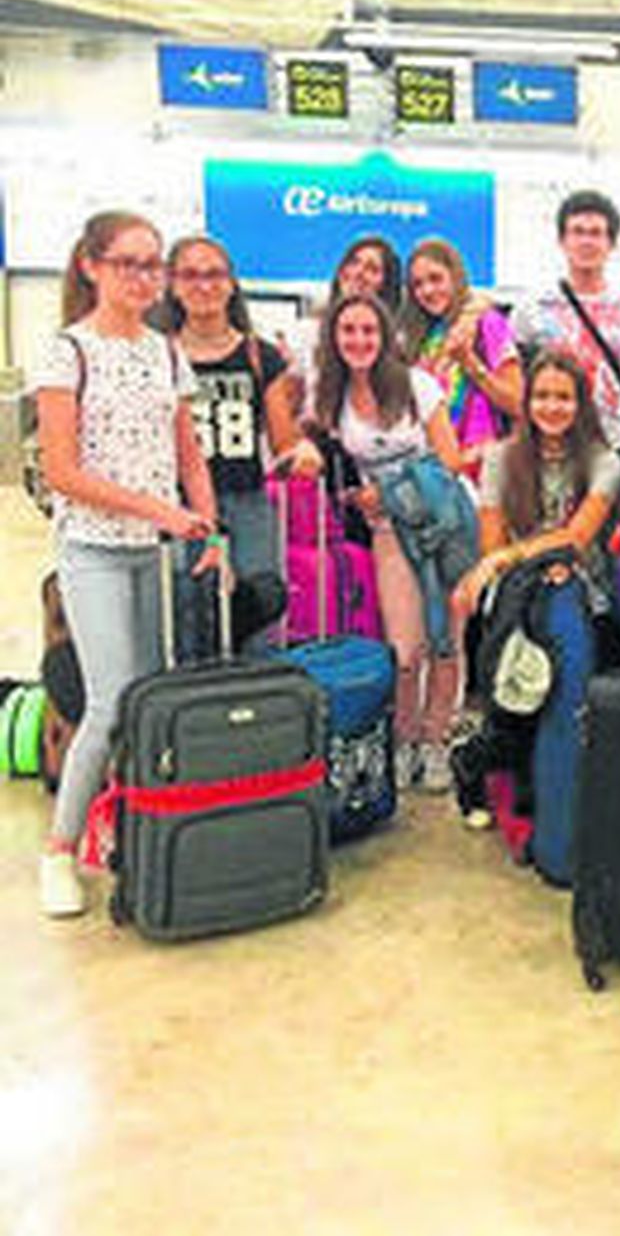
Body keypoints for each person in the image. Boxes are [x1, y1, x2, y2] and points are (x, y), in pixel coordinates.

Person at [34, 211, 220, 918]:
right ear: (91, 266)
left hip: (155, 551)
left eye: (152, 264)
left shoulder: (164, 353)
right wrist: (160, 511)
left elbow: (188, 453)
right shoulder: (66, 352)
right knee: (111, 699)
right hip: (93, 549)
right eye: (128, 264)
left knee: (150, 697)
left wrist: (207, 528)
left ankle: (132, 826)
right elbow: (62, 471)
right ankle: (59, 851)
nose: (143, 278)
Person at [448, 351, 620, 825]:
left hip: (584, 589)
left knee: (569, 696)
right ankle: (475, 763)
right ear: (526, 402)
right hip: (517, 590)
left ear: (580, 403)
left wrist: (520, 557)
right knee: (517, 693)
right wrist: (518, 565)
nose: (552, 407)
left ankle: (544, 785)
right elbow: (491, 542)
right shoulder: (501, 458)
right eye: (542, 396)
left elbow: (577, 538)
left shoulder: (604, 461)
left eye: (563, 397)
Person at [314, 291, 467, 793]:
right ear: (334, 338)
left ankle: (437, 740)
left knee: (447, 638)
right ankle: (403, 740)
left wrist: (391, 489)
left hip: (444, 523)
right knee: (404, 648)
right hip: (387, 531)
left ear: (385, 336)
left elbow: (450, 459)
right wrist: (359, 495)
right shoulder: (329, 398)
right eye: (348, 331)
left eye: (368, 331)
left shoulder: (417, 386)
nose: (359, 340)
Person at [161, 234, 317, 656]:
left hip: (246, 500)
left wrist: (301, 451)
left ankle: (253, 711)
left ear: (231, 284)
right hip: (179, 506)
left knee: (259, 612)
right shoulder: (157, 355)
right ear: (172, 285)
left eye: (214, 274)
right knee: (186, 618)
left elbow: (282, 437)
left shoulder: (259, 355)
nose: (204, 285)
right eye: (190, 274)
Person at [512, 190, 620, 453]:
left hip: (613, 444)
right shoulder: (532, 308)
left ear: (611, 244)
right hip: (548, 447)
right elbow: (515, 383)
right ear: (562, 240)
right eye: (577, 232)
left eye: (596, 233)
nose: (586, 242)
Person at [398, 237, 523, 481]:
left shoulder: (487, 323)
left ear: (455, 276)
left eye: (435, 279)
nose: (427, 290)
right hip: (435, 473)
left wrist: (470, 363)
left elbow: (517, 402)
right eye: (418, 284)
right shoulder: (421, 336)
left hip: (481, 469)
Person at [282, 234, 403, 412]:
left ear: (386, 284)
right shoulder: (307, 331)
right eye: (353, 262)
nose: (359, 272)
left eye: (372, 269)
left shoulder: (397, 342)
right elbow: (290, 405)